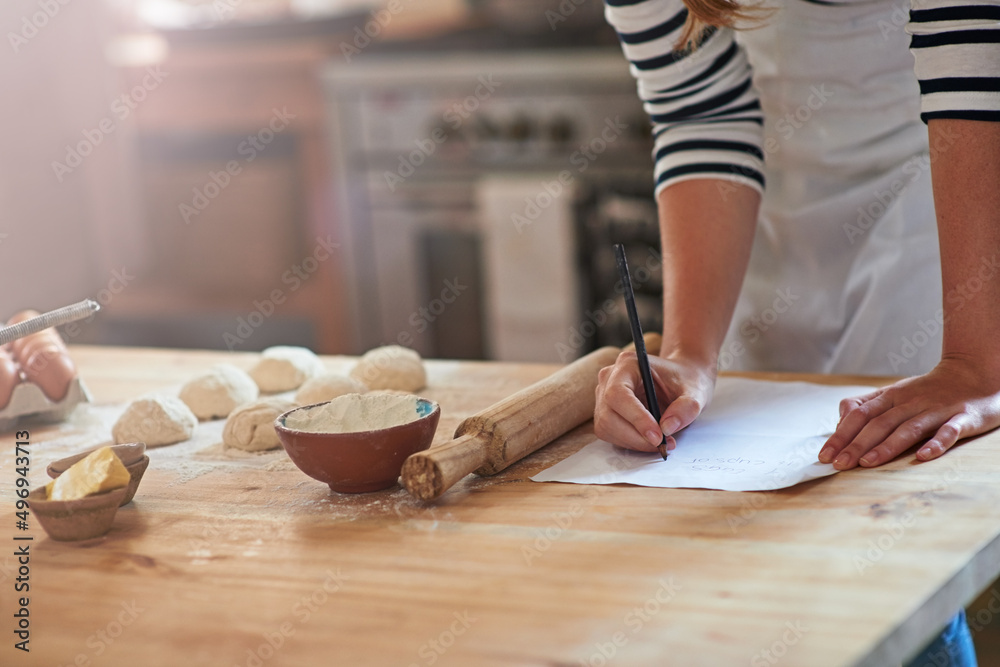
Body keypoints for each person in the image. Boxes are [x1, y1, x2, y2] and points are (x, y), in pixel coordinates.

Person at [593, 1, 999, 665]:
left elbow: (976, 73)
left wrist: (976, 360)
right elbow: (703, 113)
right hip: (761, 216)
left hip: (944, 197)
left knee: (880, 543)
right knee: (771, 542)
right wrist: (690, 352)